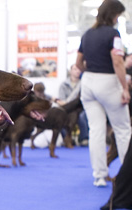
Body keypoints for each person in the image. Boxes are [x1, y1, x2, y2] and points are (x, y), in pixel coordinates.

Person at [76, 0, 131, 188]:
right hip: (108, 82)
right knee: (123, 130)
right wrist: (125, 88)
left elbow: (78, 64)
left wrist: (90, 72)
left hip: (88, 83)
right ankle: (127, 177)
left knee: (96, 131)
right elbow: (118, 62)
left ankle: (99, 176)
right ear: (114, 15)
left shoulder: (87, 34)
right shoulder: (113, 34)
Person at [56, 64, 89, 146]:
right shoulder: (63, 85)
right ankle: (66, 139)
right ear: (70, 71)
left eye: (79, 69)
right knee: (60, 117)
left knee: (82, 116)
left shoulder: (84, 84)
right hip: (68, 109)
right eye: (75, 69)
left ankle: (84, 139)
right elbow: (62, 100)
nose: (78, 71)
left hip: (80, 108)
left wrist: (66, 102)